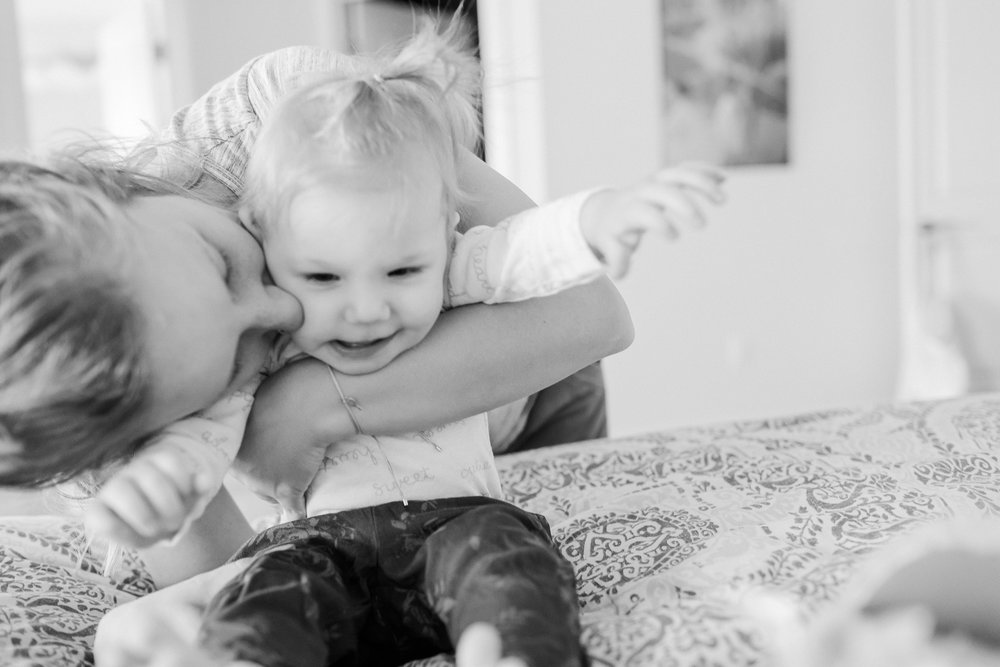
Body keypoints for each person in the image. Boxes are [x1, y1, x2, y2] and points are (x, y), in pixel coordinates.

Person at [89, 19, 725, 667]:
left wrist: (597, 218)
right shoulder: (258, 330)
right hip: (327, 542)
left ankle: (508, 649)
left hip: (499, 447)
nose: (367, 309)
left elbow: (527, 254)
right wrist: (154, 483)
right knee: (268, 585)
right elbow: (201, 448)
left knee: (506, 561)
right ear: (269, 236)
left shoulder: (391, 212)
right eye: (320, 278)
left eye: (401, 273)